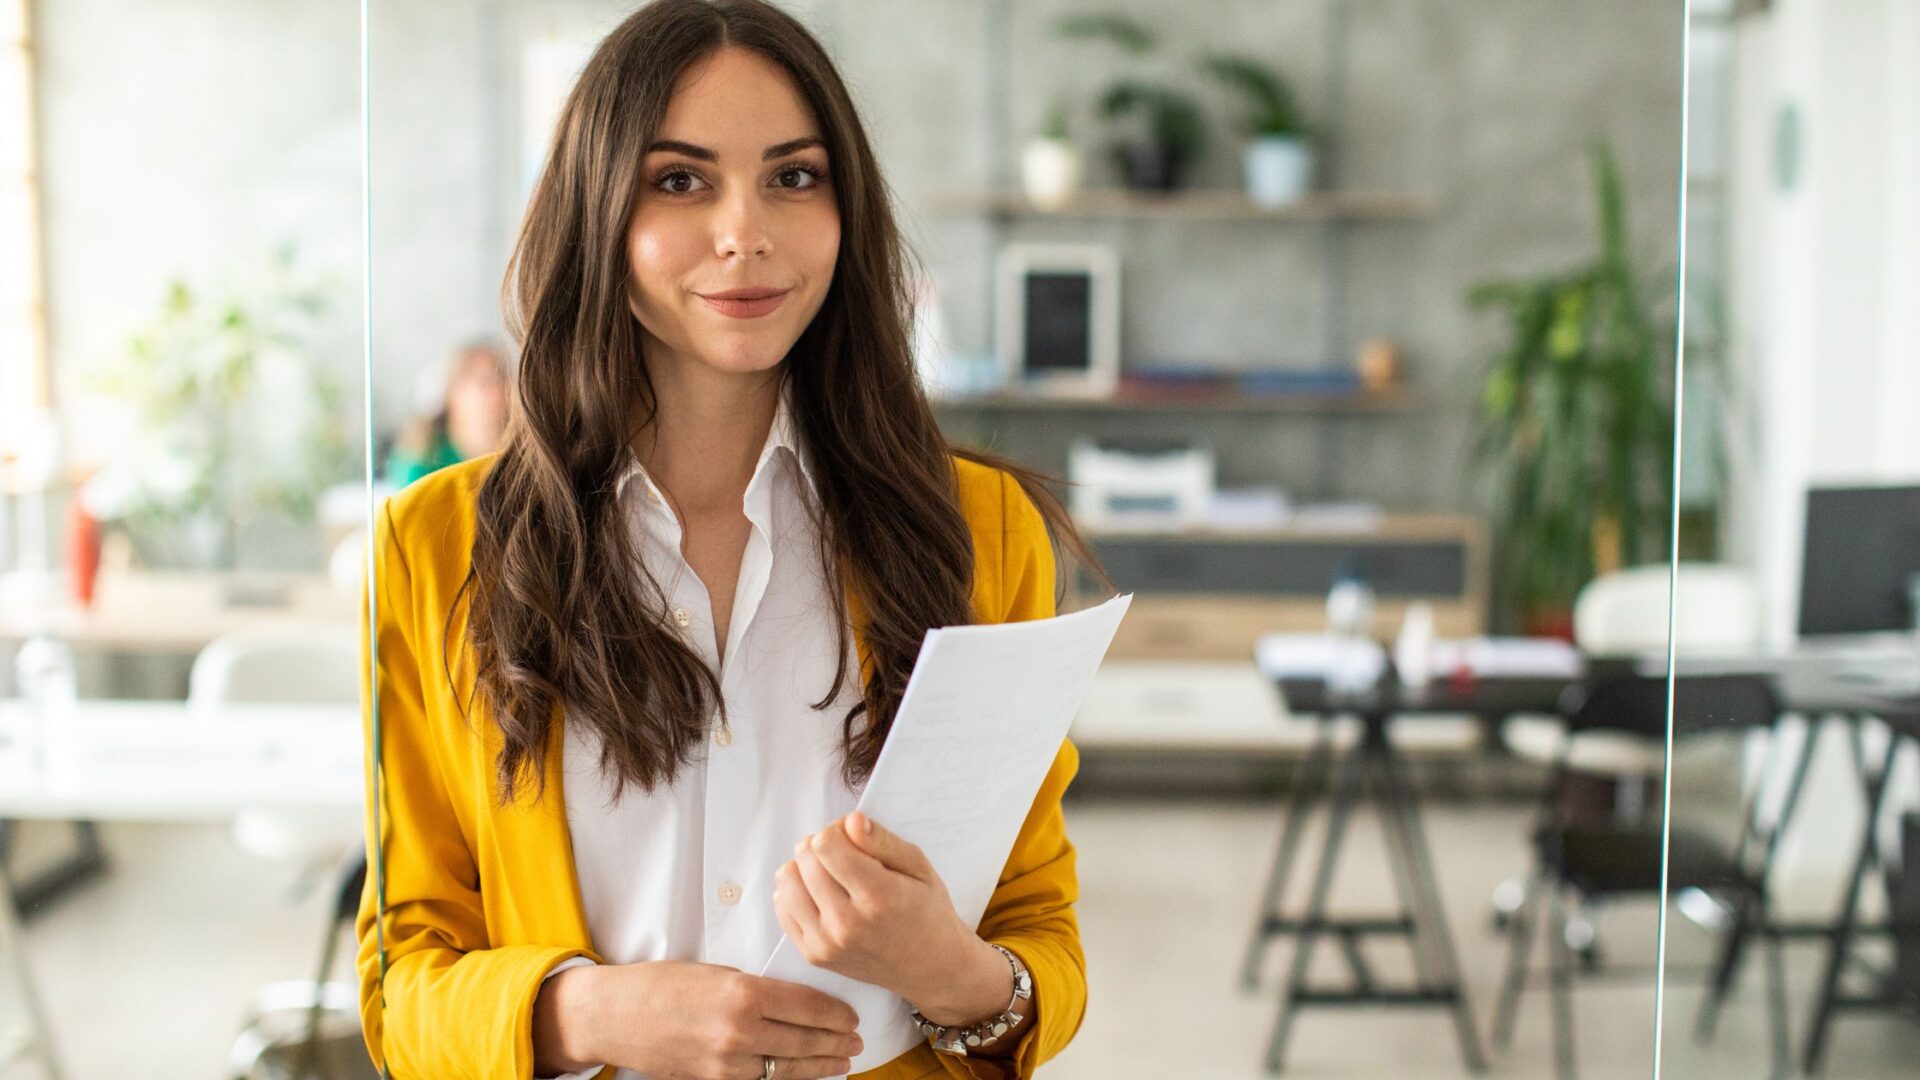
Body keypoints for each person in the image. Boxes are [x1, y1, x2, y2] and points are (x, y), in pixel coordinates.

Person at [355, 3, 1102, 1078]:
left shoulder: (981, 531)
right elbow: (399, 985)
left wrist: (950, 972)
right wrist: (585, 1017)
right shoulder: (433, 549)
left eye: (794, 177)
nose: (745, 231)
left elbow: (1041, 934)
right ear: (595, 211)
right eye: (680, 180)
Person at [381, 340, 512, 487]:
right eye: (481, 379)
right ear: (452, 392)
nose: (496, 388)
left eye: (500, 376)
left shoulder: (522, 457)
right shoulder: (422, 461)